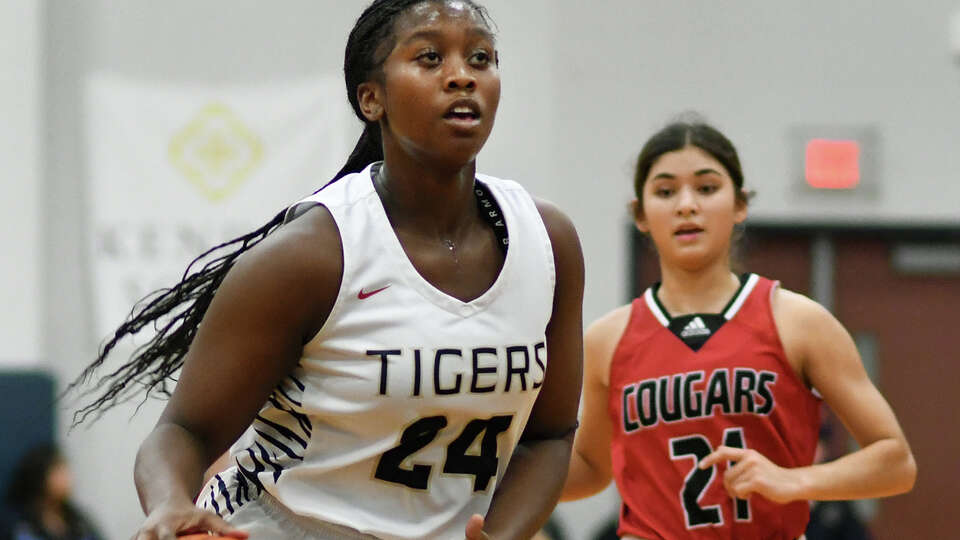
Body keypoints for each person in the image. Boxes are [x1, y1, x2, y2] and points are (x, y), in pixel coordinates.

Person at [70, 1, 585, 539]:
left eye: (480, 57)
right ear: (371, 98)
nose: (461, 76)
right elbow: (182, 431)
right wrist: (170, 503)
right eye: (430, 57)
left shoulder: (547, 242)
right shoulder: (313, 254)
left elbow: (548, 436)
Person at [559, 118, 915, 539]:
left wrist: (794, 480)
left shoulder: (798, 321)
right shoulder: (607, 338)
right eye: (665, 190)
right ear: (641, 213)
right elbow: (591, 469)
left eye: (707, 188)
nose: (686, 205)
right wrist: (479, 479)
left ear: (740, 204)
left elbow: (895, 460)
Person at [2, 444, 103, 540]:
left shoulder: (79, 522)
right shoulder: (19, 525)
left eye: (65, 471)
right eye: (57, 473)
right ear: (39, 478)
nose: (66, 479)